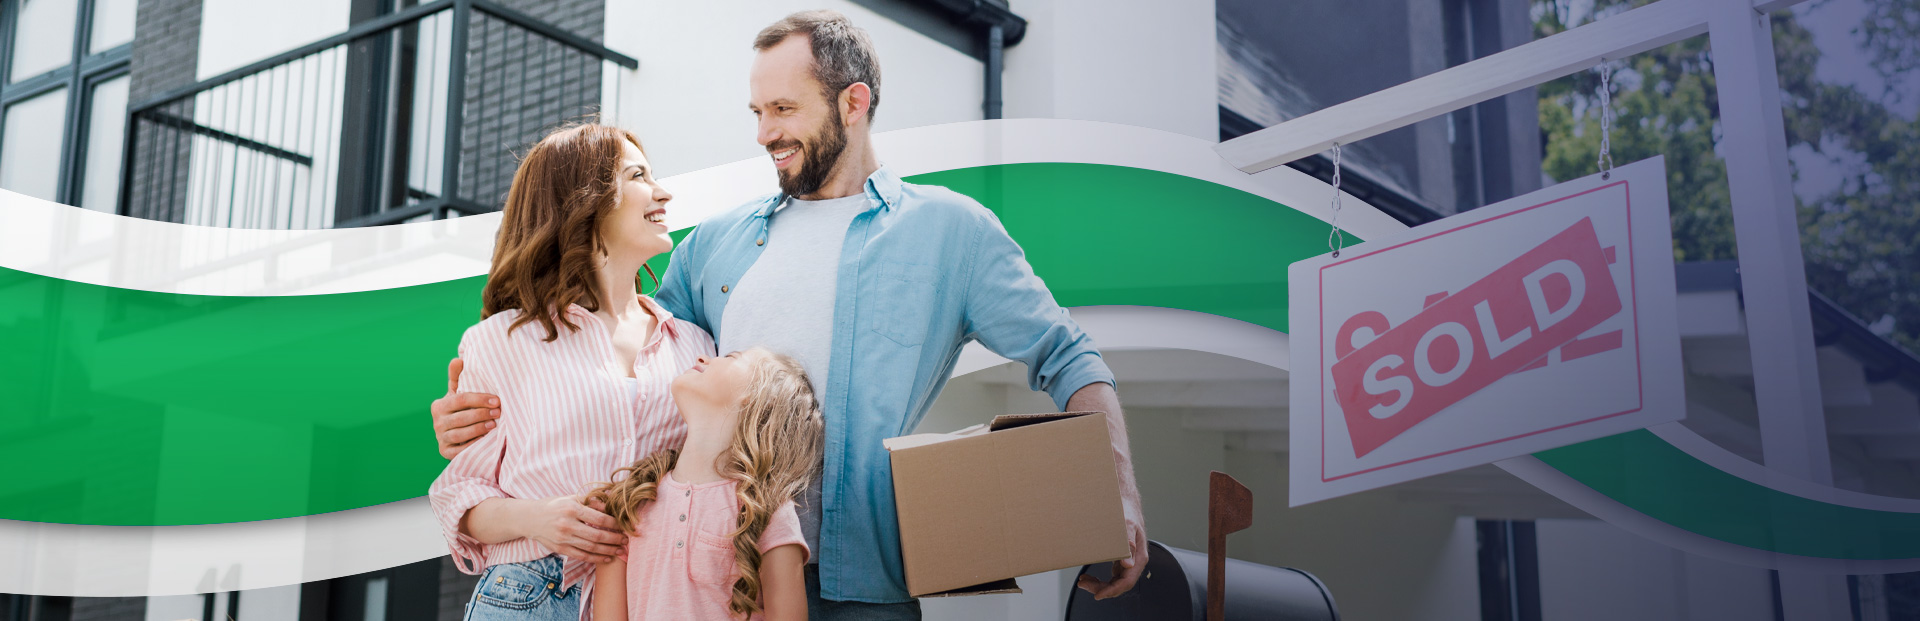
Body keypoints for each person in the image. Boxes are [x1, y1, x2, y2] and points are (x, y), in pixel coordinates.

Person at [433, 11, 1149, 619]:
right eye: (756, 112)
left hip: (865, 583)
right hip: (711, 580)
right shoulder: (714, 243)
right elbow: (631, 374)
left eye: (784, 110)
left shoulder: (953, 233)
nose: (764, 133)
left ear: (853, 102)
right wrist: (480, 411)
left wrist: (1116, 490)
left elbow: (1068, 354)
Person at [428, 123, 715, 620]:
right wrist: (539, 518)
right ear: (587, 201)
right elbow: (459, 495)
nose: (663, 192)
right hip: (531, 595)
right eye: (639, 176)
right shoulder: (503, 340)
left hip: (653, 595)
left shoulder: (693, 344)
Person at [588, 347, 822, 621]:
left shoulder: (768, 511)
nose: (702, 357)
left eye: (731, 357)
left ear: (762, 398)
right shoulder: (631, 500)